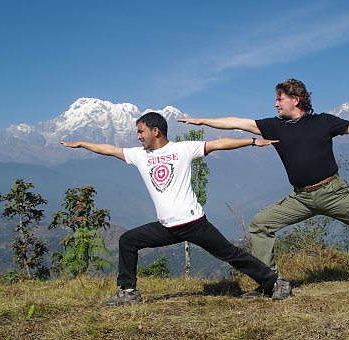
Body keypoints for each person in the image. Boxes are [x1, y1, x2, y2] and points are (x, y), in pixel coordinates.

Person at [178, 78, 349, 297]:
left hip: (334, 193)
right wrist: (202, 121)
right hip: (302, 198)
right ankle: (269, 283)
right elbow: (237, 122)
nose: (275, 103)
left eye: (279, 98)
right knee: (261, 224)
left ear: (295, 99)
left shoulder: (323, 122)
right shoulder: (273, 126)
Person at [60, 111, 292, 305]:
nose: (138, 137)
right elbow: (109, 149)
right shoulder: (139, 155)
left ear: (156, 131)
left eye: (141, 131)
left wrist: (252, 142)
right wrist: (82, 144)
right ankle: (128, 292)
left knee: (231, 254)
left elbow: (218, 144)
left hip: (193, 224)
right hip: (167, 226)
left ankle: (275, 282)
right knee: (128, 241)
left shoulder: (183, 149)